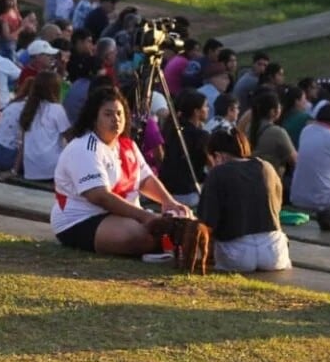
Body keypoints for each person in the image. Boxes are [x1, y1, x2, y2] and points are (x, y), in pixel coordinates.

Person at [50, 86, 192, 255]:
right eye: (108, 114)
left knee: (185, 219)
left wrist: (169, 202)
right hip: (82, 220)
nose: (115, 120)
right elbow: (100, 196)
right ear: (94, 118)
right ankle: (172, 246)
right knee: (139, 235)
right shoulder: (85, 147)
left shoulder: (127, 145)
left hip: (122, 217)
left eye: (119, 114)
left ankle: (178, 245)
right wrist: (145, 217)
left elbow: (146, 179)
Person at [196, 127, 291, 273]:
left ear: (218, 156)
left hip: (237, 254)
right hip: (274, 253)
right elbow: (277, 207)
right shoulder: (267, 167)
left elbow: (207, 223)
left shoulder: (218, 173)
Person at [13, 70, 71, 181]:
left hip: (31, 170)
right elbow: (70, 139)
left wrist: (14, 170)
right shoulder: (57, 109)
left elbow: (23, 144)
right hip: (51, 169)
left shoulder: (28, 109)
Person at [157, 89, 210, 205]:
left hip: (166, 189)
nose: (208, 110)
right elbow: (210, 163)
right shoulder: (200, 136)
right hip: (187, 192)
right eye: (205, 107)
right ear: (197, 112)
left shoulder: (170, 128)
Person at [244, 90, 296, 180]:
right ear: (273, 112)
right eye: (279, 107)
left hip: (250, 178)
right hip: (270, 180)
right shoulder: (277, 132)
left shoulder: (248, 128)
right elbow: (295, 160)